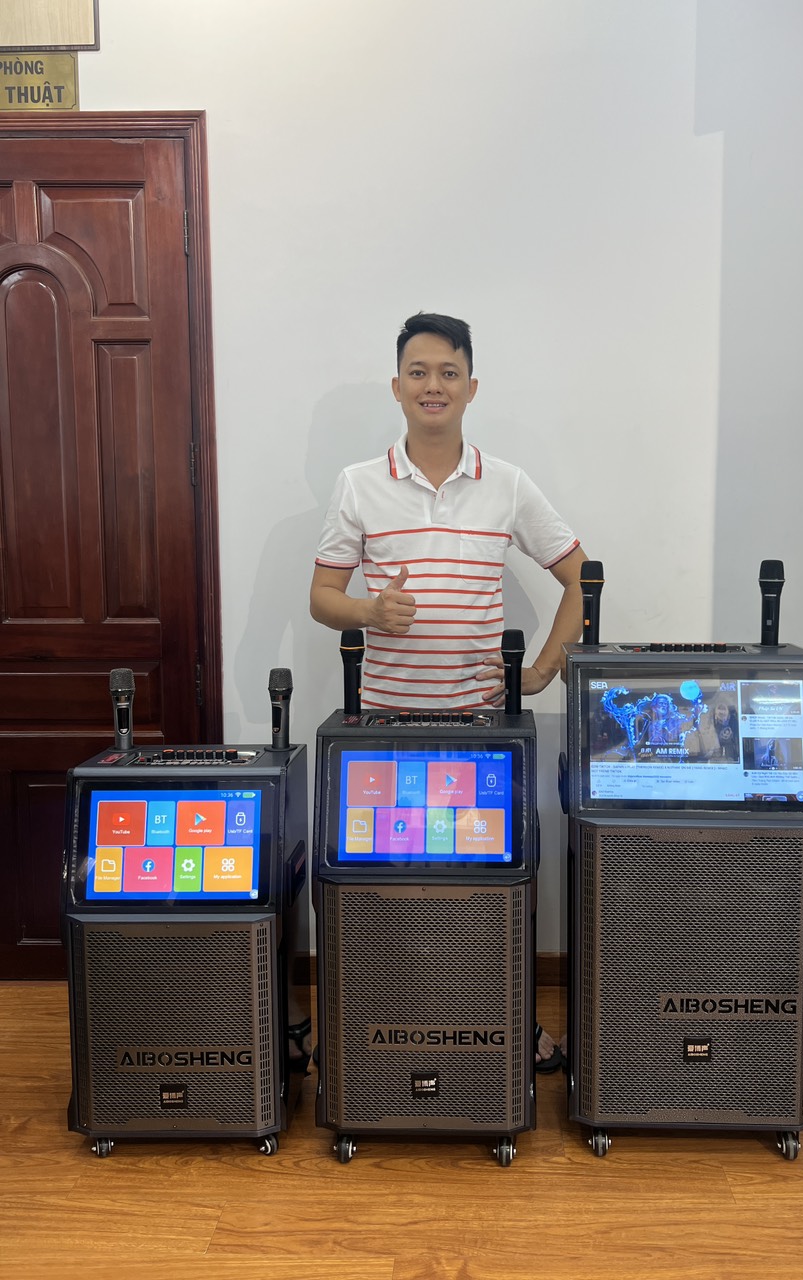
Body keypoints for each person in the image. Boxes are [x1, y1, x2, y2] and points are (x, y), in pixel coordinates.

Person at [310, 312, 587, 1069]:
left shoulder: (508, 484)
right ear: (397, 386)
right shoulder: (359, 484)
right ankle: (368, 1033)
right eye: (419, 372)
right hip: (384, 732)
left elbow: (580, 578)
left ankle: (507, 1030)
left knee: (488, 894)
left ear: (471, 387)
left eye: (448, 373)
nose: (433, 385)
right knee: (383, 895)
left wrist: (541, 671)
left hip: (482, 734)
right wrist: (368, 612)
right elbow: (323, 597)